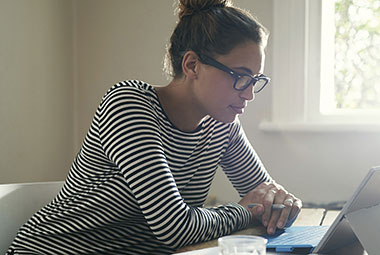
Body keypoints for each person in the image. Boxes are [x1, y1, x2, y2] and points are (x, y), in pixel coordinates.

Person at [8, 0, 302, 254]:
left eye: (255, 81)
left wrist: (285, 204)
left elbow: (266, 197)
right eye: (240, 76)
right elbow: (175, 228)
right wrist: (248, 211)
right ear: (192, 65)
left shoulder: (223, 126)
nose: (249, 93)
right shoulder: (128, 105)